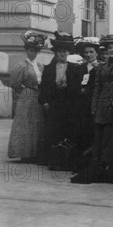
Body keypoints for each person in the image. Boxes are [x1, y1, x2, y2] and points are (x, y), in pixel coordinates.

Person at [39, 31, 82, 165]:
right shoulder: (49, 69)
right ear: (56, 53)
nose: (62, 54)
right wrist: (45, 101)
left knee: (67, 129)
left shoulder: (75, 69)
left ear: (68, 53)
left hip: (69, 104)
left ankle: (65, 158)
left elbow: (77, 89)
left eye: (65, 52)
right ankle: (51, 158)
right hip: (54, 103)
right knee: (52, 130)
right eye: (60, 52)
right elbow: (44, 87)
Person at [89, 34, 113, 181]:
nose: (111, 50)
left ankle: (110, 169)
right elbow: (97, 88)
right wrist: (94, 108)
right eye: (109, 48)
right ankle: (98, 166)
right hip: (101, 105)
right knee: (99, 138)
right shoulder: (101, 67)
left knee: (111, 139)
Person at [7, 31, 47, 162]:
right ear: (26, 50)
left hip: (38, 95)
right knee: (26, 123)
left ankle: (35, 152)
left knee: (37, 122)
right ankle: (24, 152)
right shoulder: (21, 66)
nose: (33, 53)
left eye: (35, 51)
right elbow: (14, 83)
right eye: (30, 50)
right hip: (27, 96)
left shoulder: (40, 66)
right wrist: (24, 93)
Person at [75, 37, 100, 153]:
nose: (88, 55)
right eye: (86, 52)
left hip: (94, 104)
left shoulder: (101, 68)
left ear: (96, 53)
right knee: (81, 130)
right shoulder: (80, 68)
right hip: (81, 104)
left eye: (91, 52)